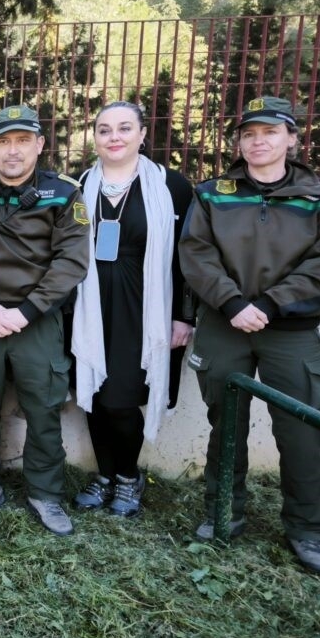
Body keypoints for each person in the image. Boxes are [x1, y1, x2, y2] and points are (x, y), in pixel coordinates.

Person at [179, 95, 320, 573]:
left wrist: (269, 304)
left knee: (302, 432)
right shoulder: (213, 192)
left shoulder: (315, 194)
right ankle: (225, 513)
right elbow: (196, 254)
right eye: (249, 134)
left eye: (270, 132)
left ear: (292, 139)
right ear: (239, 141)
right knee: (226, 425)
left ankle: (307, 527)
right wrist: (234, 303)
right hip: (226, 324)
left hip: (291, 330)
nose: (258, 142)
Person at [0, 104, 89, 537]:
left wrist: (26, 312)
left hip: (37, 321)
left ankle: (46, 494)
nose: (12, 151)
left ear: (40, 145)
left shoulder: (63, 193)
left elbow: (71, 261)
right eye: (3, 141)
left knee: (44, 410)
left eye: (23, 141)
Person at [70, 102, 194, 517]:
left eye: (125, 128)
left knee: (121, 399)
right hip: (90, 306)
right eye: (104, 130)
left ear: (143, 134)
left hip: (145, 309)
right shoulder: (83, 183)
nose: (114, 137)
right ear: (95, 138)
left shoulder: (171, 186)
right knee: (94, 394)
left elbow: (186, 257)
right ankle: (105, 476)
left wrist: (183, 315)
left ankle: (128, 477)